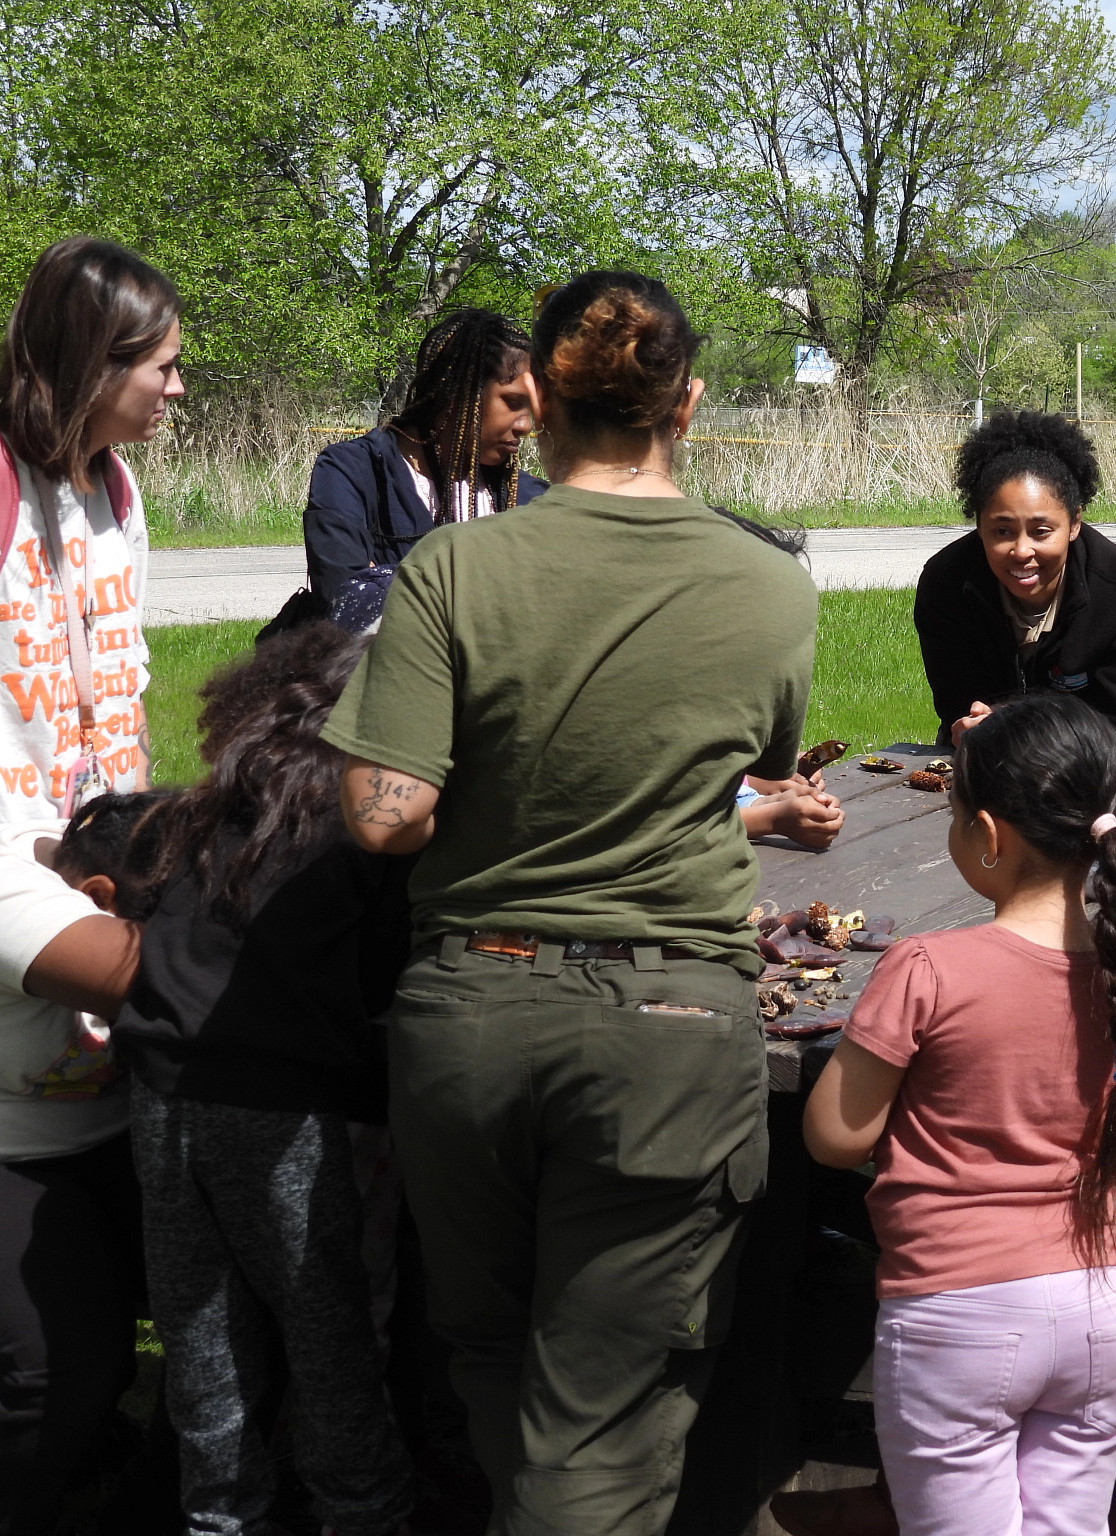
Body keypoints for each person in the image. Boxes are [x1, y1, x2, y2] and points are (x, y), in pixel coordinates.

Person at [322, 269, 817, 1535]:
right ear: (689, 406)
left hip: (467, 1021)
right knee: (606, 1398)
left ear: (537, 402)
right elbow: (763, 751)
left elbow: (386, 816)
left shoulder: (448, 568)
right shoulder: (769, 585)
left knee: (492, 1351)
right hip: (669, 1030)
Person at [798, 692, 1116, 1536]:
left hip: (954, 1321)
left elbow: (832, 1137)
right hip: (1093, 1314)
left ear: (990, 835)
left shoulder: (927, 966)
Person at [113, 624, 414, 1536]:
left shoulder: (217, 805)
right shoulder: (369, 827)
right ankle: (362, 1514)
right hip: (293, 1111)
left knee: (203, 1357)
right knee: (335, 1353)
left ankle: (219, 1516)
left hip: (163, 1090)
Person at [0, 791, 169, 1535]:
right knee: (62, 1359)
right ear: (99, 899)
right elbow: (183, 982)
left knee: (230, 1309)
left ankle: (123, 1478)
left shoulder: (112, 856)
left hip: (100, 1136)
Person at [0, 237, 179, 859]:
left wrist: (138, 825)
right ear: (95, 367)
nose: (176, 387)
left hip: (96, 860)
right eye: (162, 366)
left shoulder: (118, 486)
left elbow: (126, 675)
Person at [913, 411, 1116, 768]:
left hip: (1104, 767)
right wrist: (974, 727)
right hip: (984, 758)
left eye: (1041, 531)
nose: (1022, 551)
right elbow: (956, 707)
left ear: (1074, 523)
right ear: (979, 525)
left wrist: (1021, 730)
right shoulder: (945, 584)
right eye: (1002, 531)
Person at [303, 308, 548, 629]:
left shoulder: (529, 498)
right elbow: (349, 603)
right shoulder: (354, 472)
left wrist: (390, 580)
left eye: (532, 408)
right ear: (459, 392)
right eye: (513, 403)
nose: (525, 425)